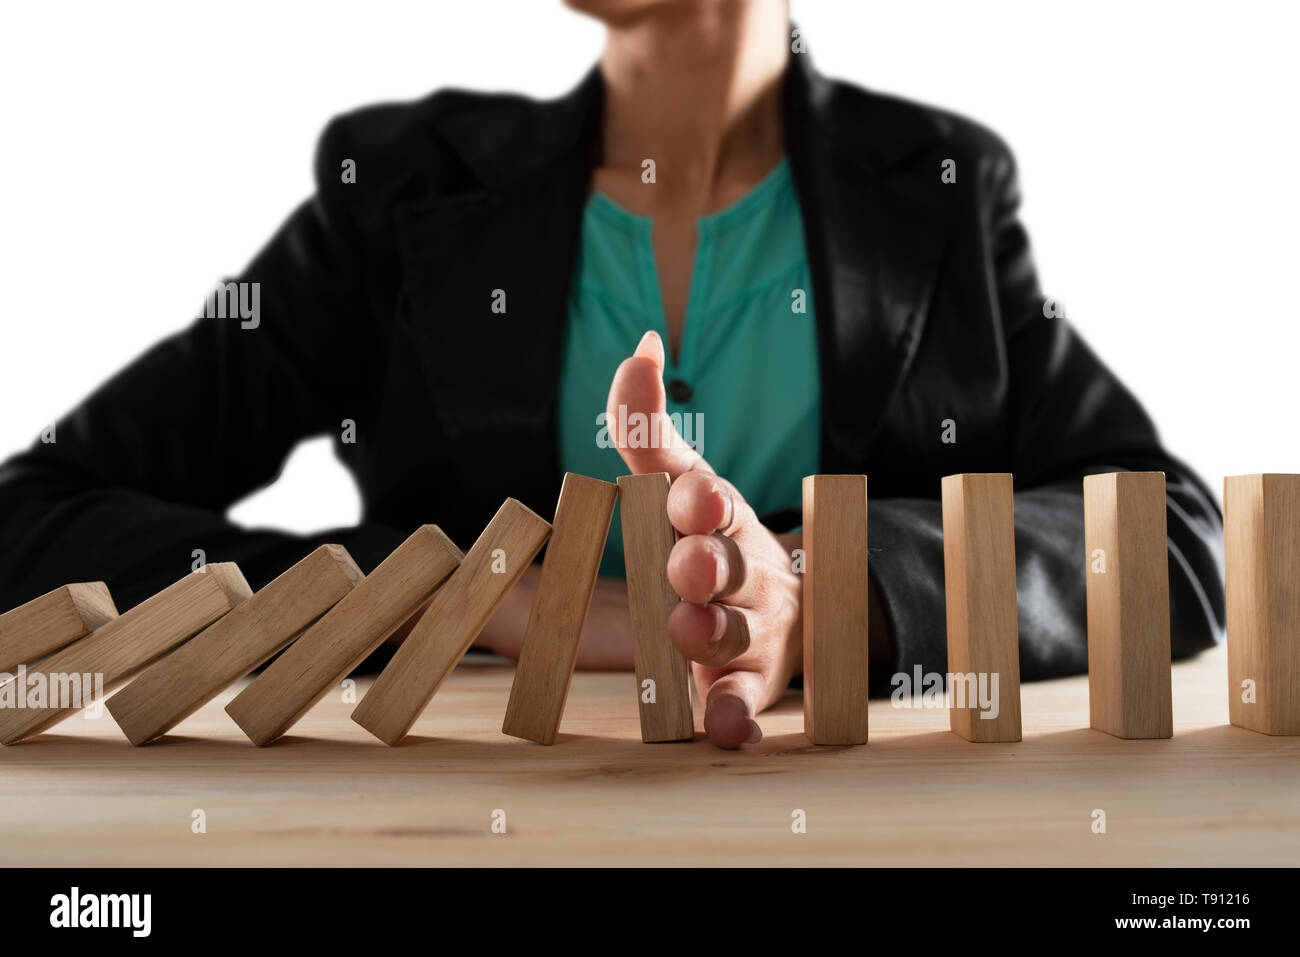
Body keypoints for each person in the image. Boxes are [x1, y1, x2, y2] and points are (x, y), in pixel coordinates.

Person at [0, 0, 1224, 749]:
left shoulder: (937, 189)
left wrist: (817, 596)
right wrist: (474, 600)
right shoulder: (405, 187)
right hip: (443, 835)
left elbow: (1165, 535)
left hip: (850, 829)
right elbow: (32, 518)